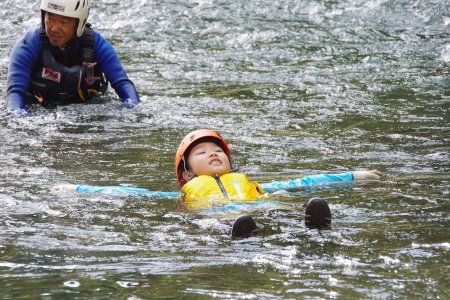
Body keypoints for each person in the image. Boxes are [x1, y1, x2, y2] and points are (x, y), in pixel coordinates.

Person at [53, 129, 382, 238]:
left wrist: (352, 176)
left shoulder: (250, 184)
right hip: (217, 218)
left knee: (282, 206)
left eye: (217, 151)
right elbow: (130, 193)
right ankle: (241, 237)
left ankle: (314, 227)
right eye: (201, 152)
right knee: (215, 224)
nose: (212, 154)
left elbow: (301, 182)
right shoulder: (183, 192)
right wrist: (77, 190)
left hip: (259, 208)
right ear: (186, 173)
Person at [6, 0, 141, 117]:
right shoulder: (29, 44)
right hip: (40, 111)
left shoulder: (96, 44)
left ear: (79, 24)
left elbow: (122, 84)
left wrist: (135, 111)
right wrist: (19, 120)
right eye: (50, 18)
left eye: (64, 22)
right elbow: (15, 91)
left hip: (87, 109)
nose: (54, 28)